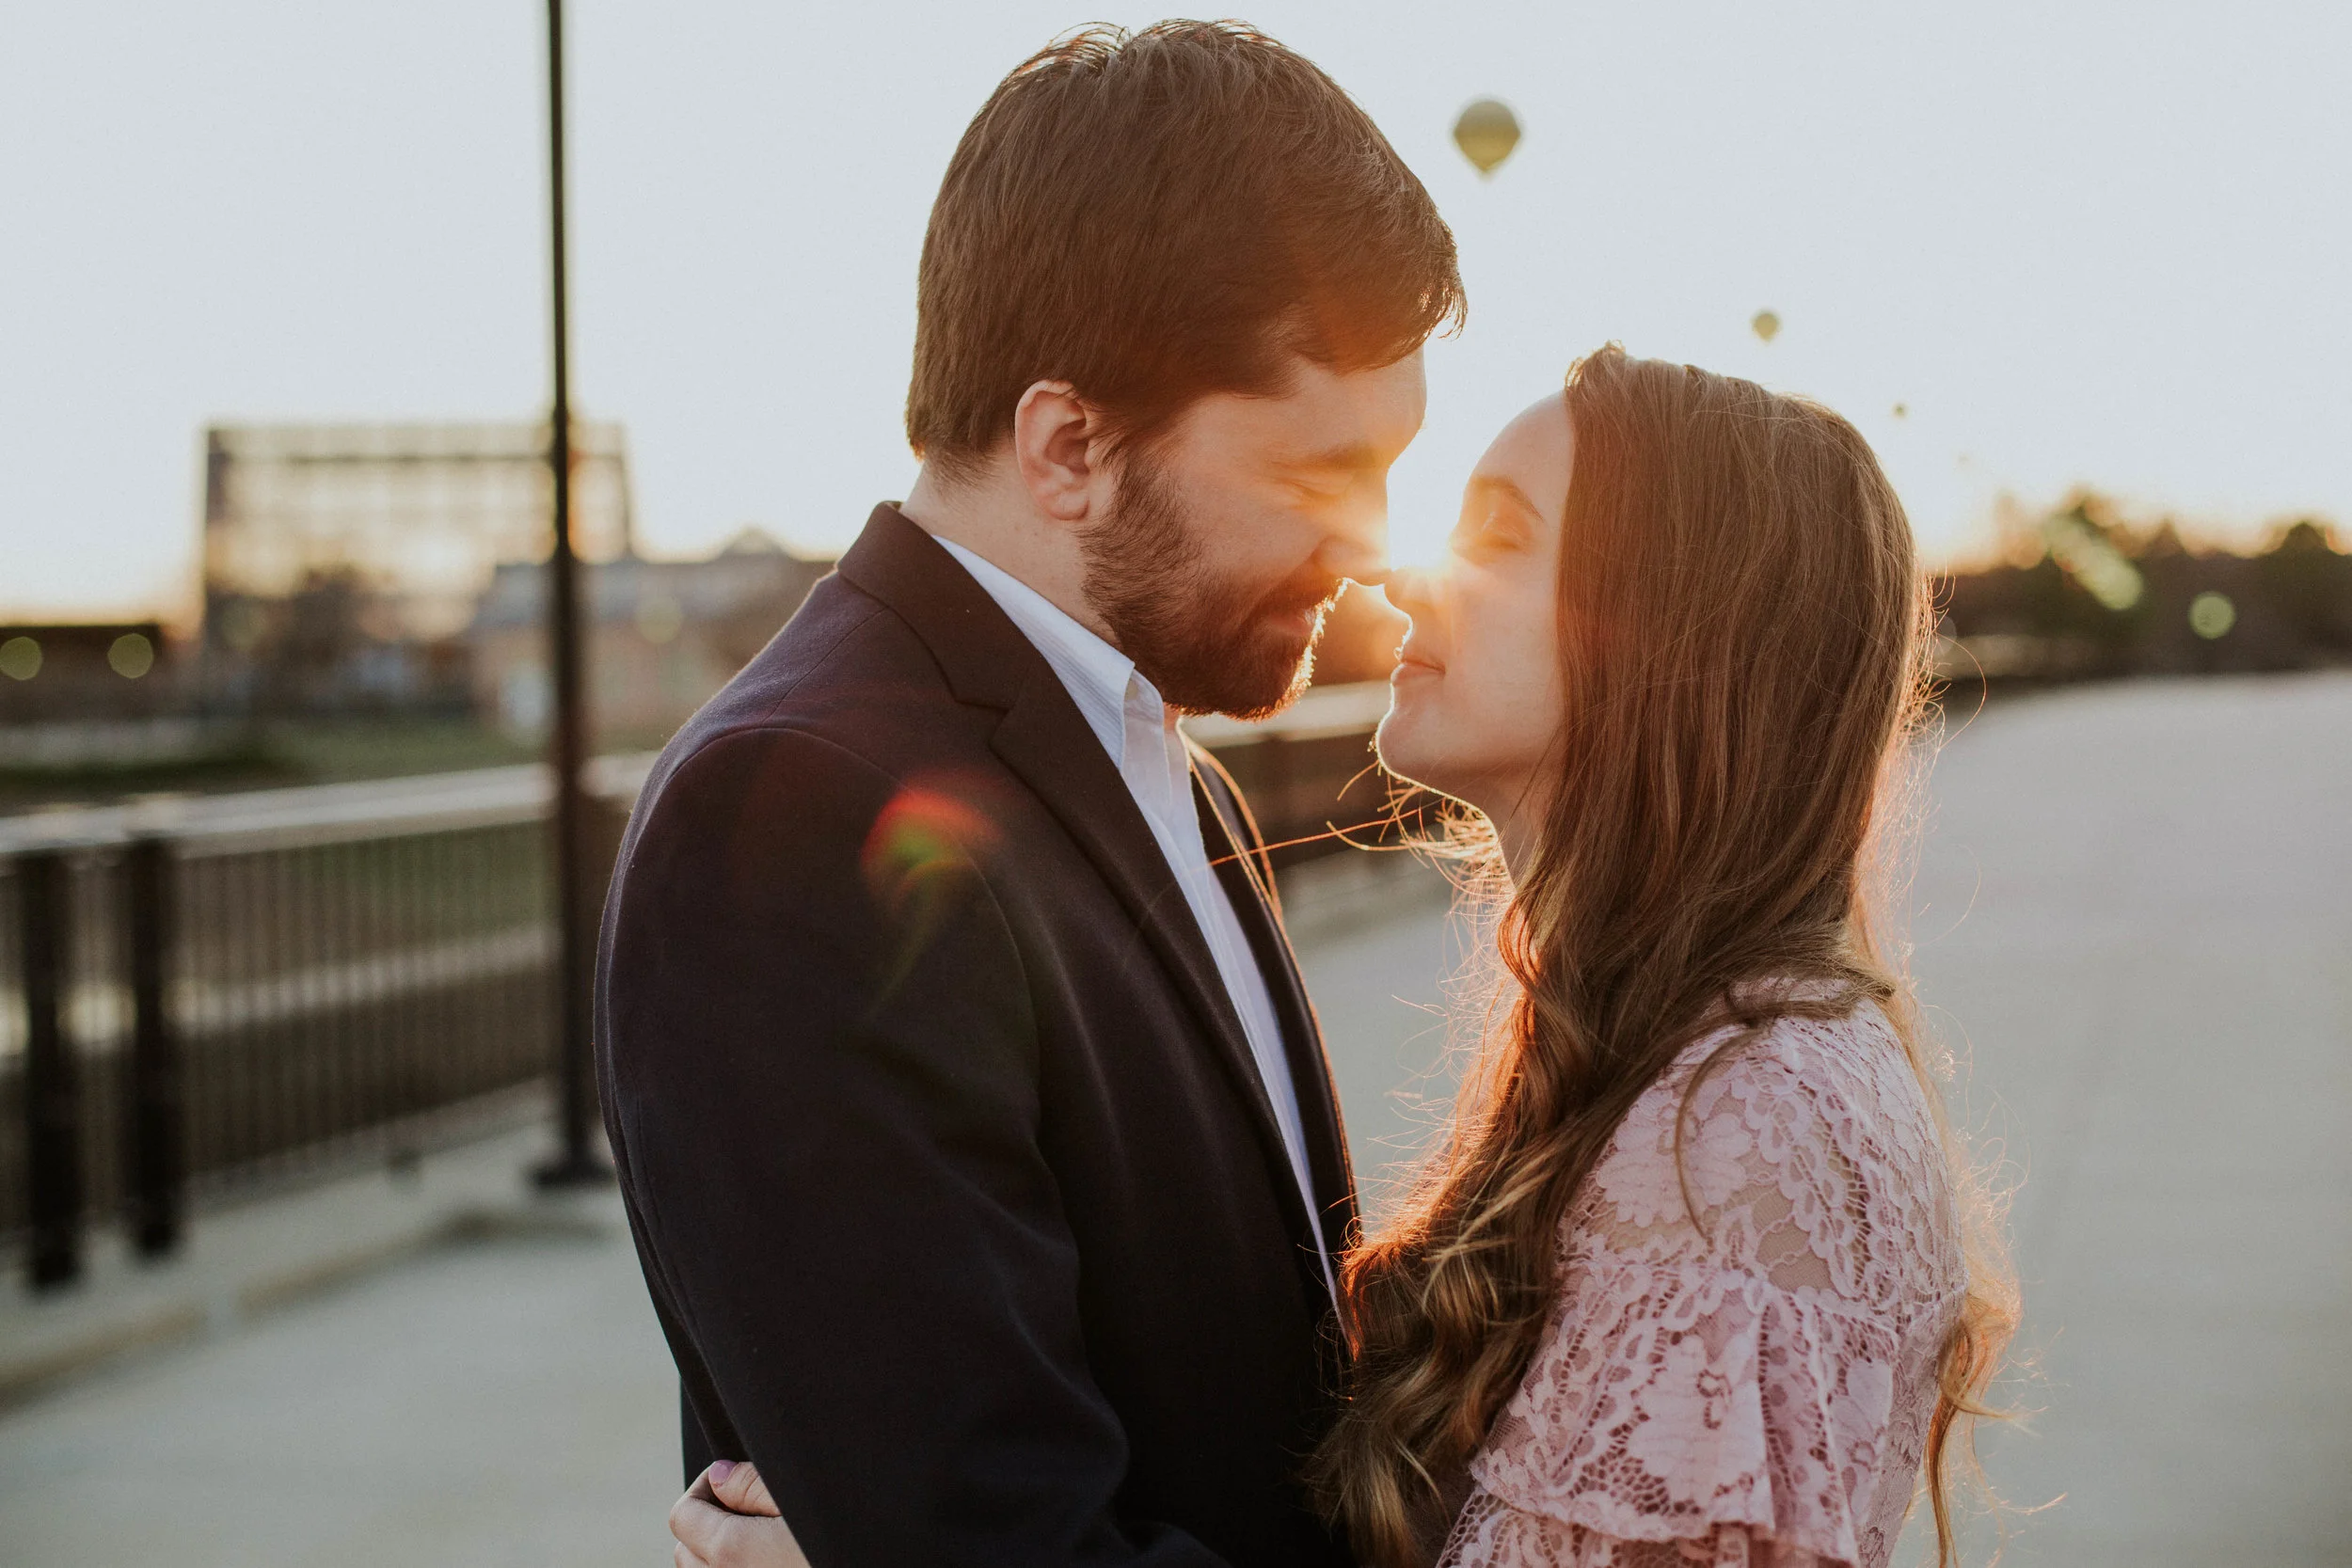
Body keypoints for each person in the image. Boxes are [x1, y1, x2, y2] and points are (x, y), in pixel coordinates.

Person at [674, 346, 2018, 1568]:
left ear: (1671, 635)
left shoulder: (1754, 1126)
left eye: (1499, 538)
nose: (1397, 568)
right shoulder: (1667, 1060)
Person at [601, 20, 1461, 1568]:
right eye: (1315, 474)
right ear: (1068, 444)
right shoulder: (795, 818)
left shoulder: (1154, 748)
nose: (1374, 542)